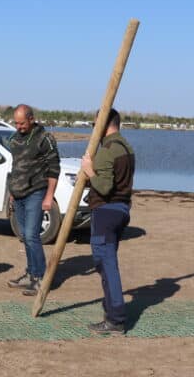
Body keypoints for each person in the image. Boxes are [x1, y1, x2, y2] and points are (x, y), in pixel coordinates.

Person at [81, 108, 135, 335]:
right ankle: (112, 311)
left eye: (95, 125)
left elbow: (104, 187)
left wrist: (89, 171)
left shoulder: (108, 151)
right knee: (107, 264)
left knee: (106, 265)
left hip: (106, 212)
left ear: (104, 124)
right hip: (122, 210)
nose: (94, 131)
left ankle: (115, 319)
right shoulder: (126, 147)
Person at [7, 104, 60, 295]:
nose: (18, 126)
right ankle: (30, 273)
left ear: (31, 119)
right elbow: (16, 167)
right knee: (24, 236)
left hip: (36, 192)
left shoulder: (44, 139)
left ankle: (40, 278)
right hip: (18, 194)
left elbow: (54, 168)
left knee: (31, 235)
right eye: (16, 123)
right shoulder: (14, 139)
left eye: (22, 123)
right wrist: (12, 193)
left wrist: (49, 196)